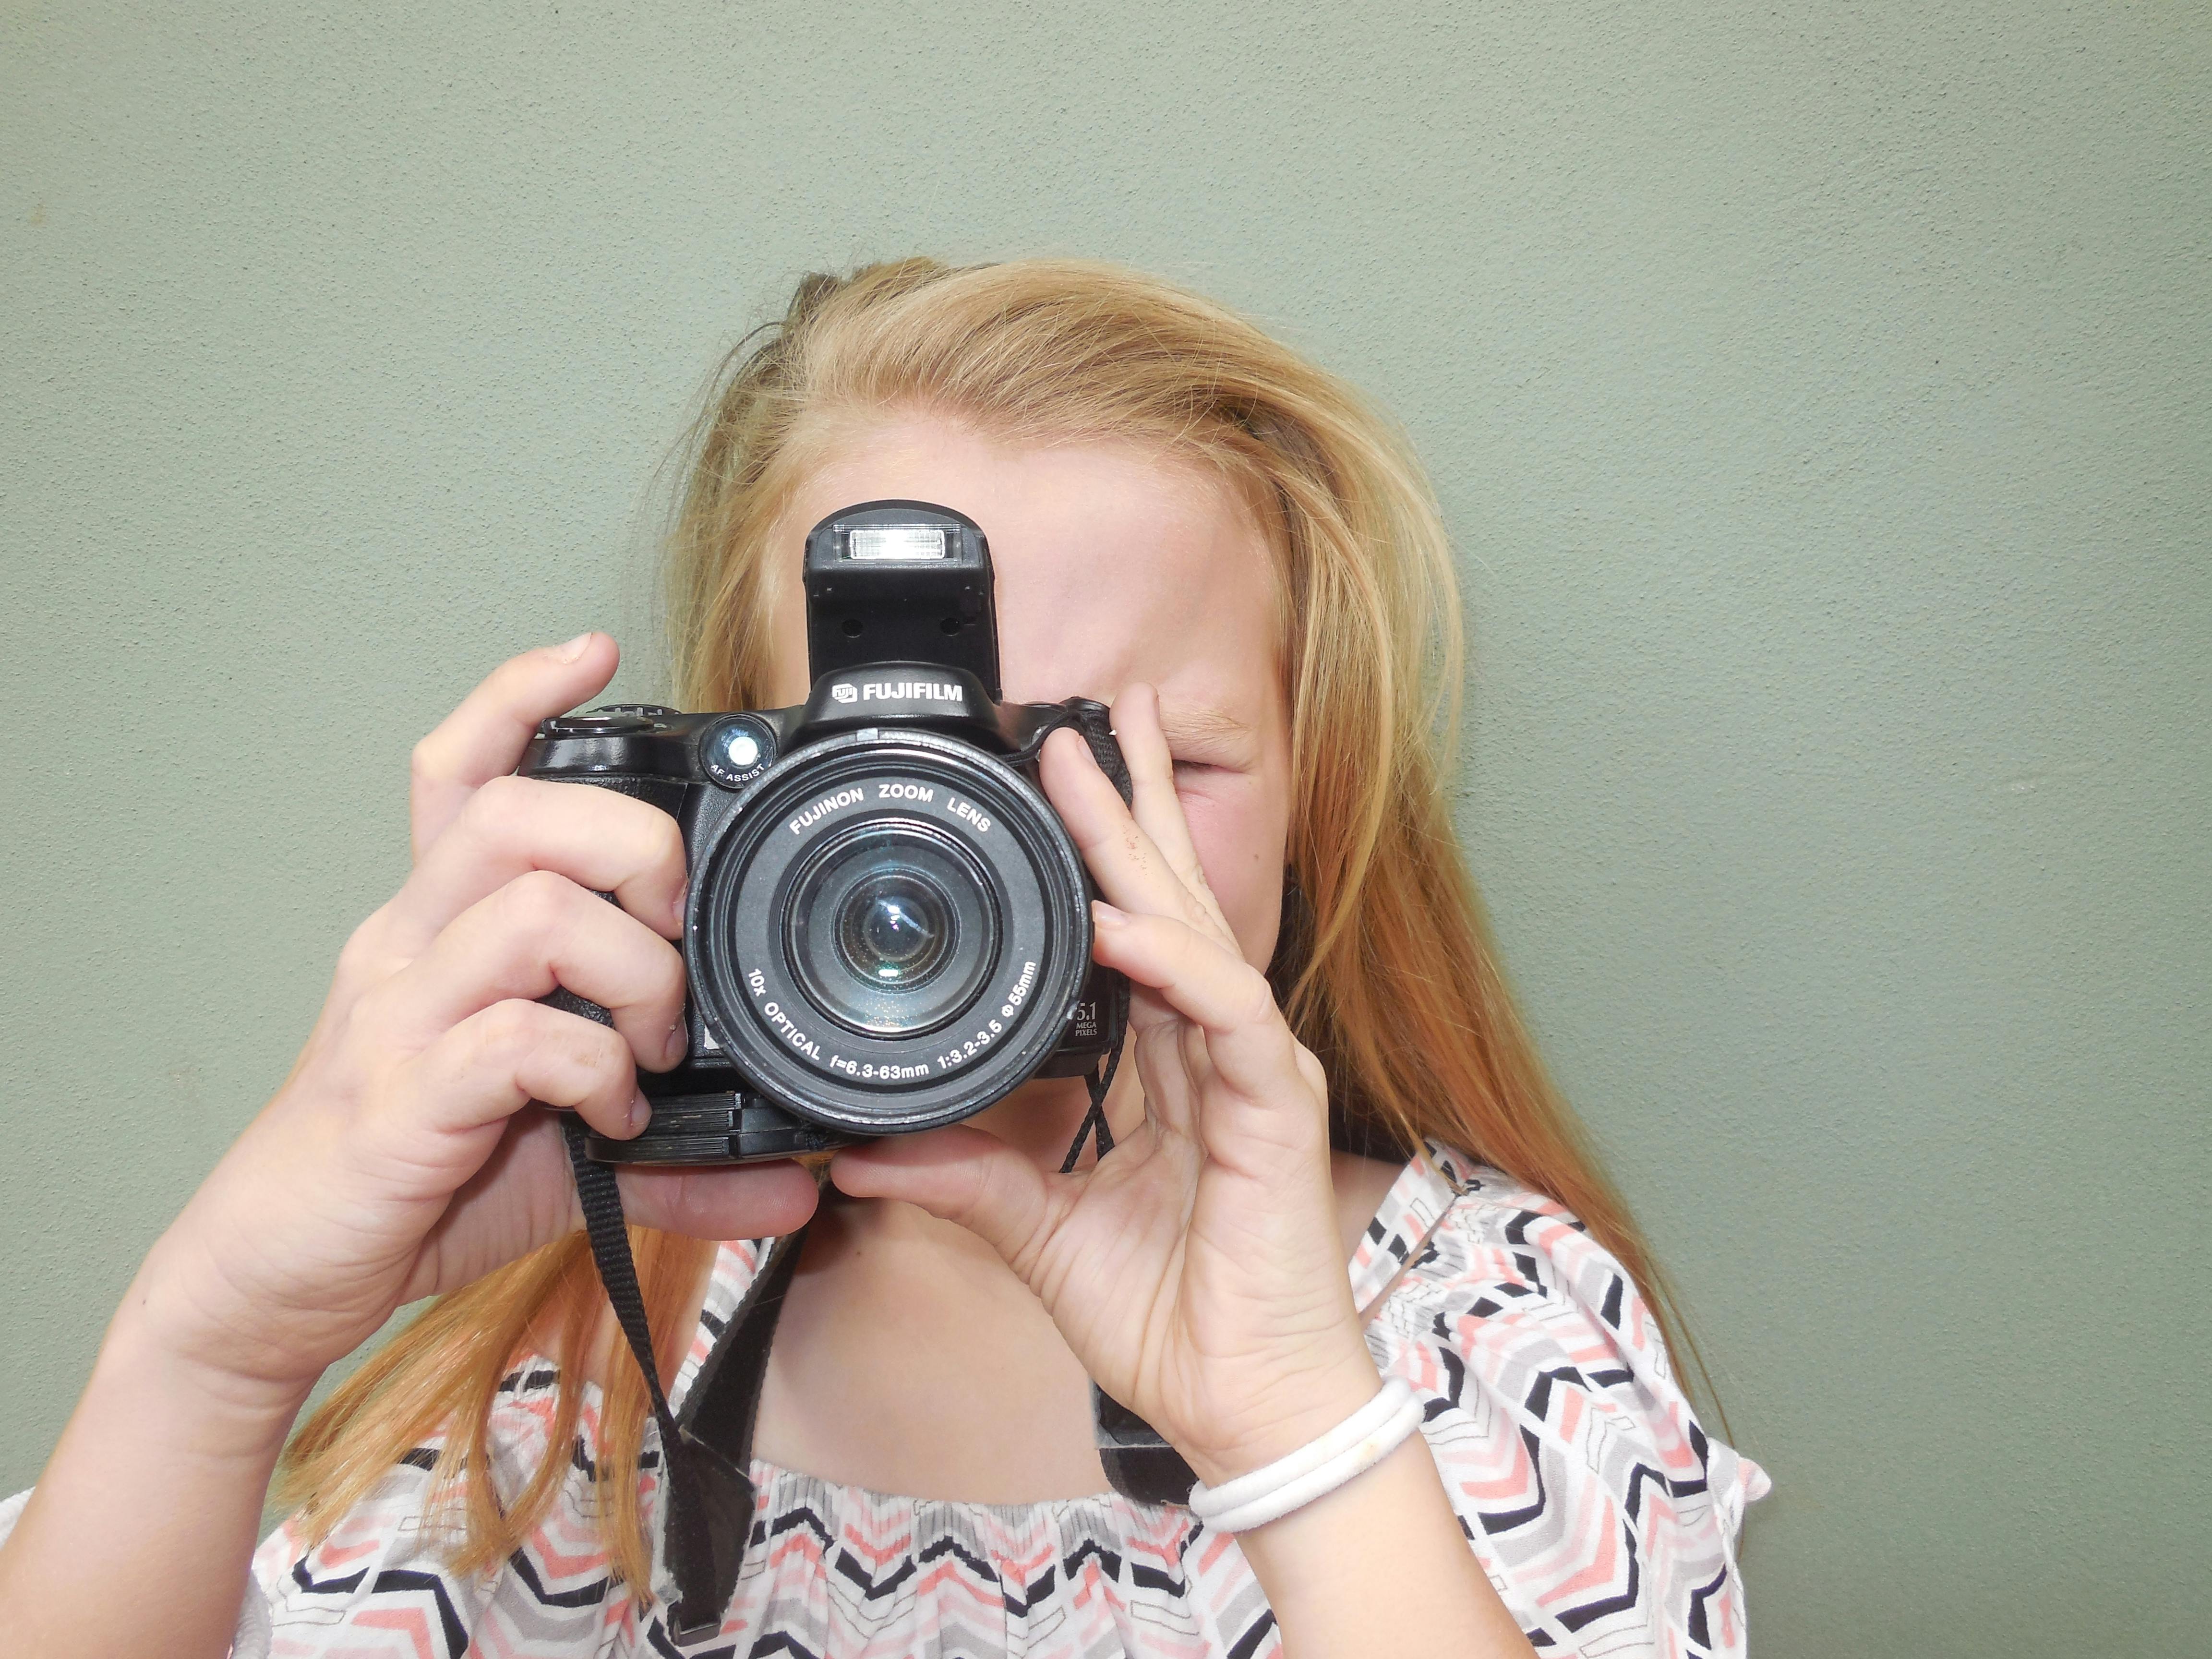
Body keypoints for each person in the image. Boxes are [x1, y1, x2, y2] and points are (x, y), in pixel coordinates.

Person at [0, 258, 1766, 1658]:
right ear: (723, 808)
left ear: (1328, 804)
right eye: (899, 774)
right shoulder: (554, 1376)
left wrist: (1298, 1426)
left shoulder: (1495, 1344)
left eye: (1146, 756)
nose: (999, 847)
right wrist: (215, 1350)